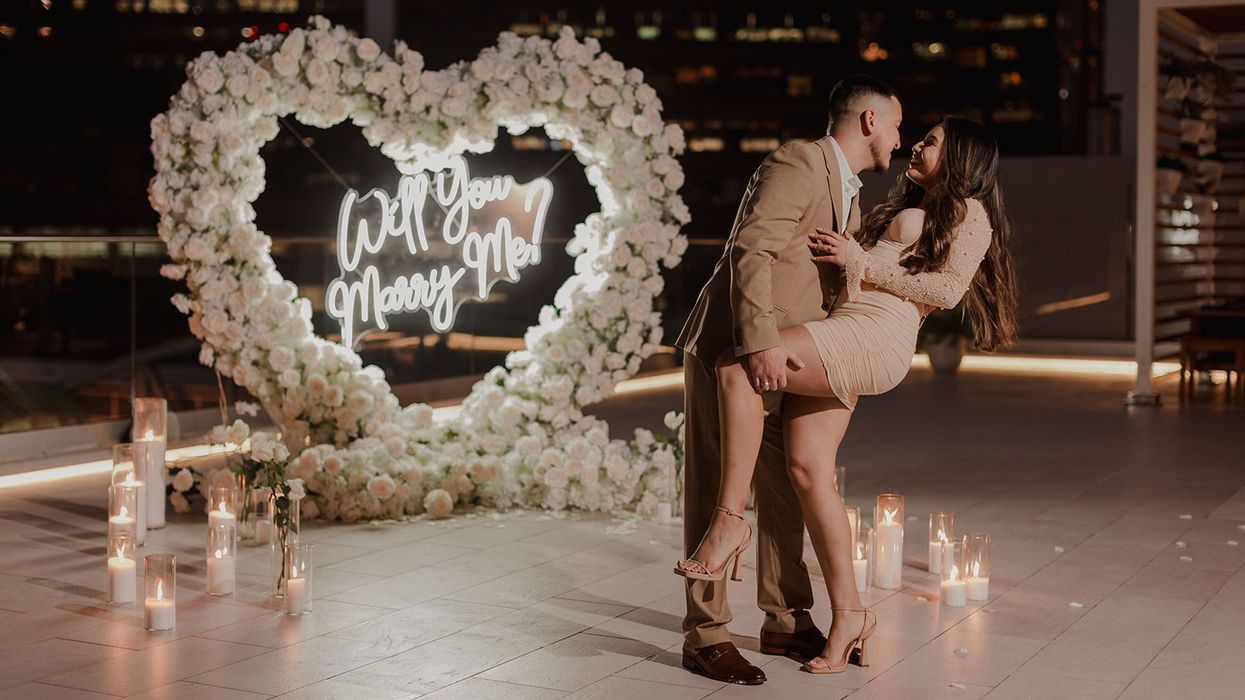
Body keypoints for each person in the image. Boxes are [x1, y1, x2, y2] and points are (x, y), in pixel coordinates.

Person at [675, 115, 1019, 674]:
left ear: (962, 159)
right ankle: (851, 614)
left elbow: (947, 292)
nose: (916, 145)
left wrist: (857, 261)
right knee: (808, 471)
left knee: (737, 367)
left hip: (873, 337)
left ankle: (730, 519)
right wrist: (849, 267)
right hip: (847, 327)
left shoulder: (970, 212)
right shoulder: (897, 203)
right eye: (916, 134)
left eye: (931, 141)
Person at [673, 75, 903, 685]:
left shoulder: (850, 195)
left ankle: (783, 617)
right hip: (736, 345)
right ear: (871, 121)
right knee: (716, 483)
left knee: (783, 488)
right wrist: (759, 343)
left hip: (793, 354)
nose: (900, 140)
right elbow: (751, 249)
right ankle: (706, 634)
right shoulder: (800, 160)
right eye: (898, 126)